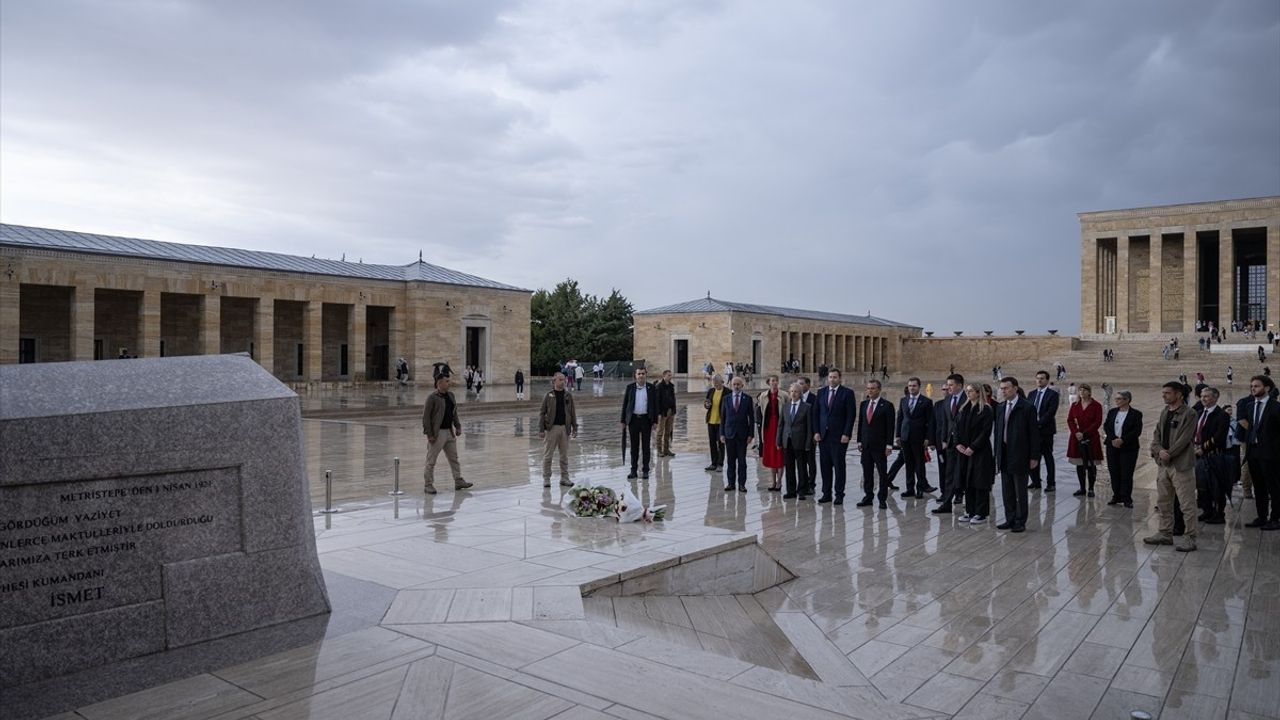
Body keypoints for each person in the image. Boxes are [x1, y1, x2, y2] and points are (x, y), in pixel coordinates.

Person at [1145, 381, 1199, 552]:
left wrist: (1169, 453)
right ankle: (1165, 533)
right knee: (1163, 502)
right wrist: (1159, 450)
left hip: (1180, 465)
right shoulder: (1164, 412)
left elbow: (1185, 438)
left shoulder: (1189, 413)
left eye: (1167, 393)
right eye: (1163, 393)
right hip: (1163, 465)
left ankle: (1190, 537)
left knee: (1187, 503)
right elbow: (1156, 435)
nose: (1164, 396)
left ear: (1178, 395)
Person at [993, 377, 1039, 533]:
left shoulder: (1026, 407)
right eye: (1002, 388)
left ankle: (1020, 520)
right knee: (1007, 490)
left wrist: (1034, 457)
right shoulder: (1000, 407)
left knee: (1020, 490)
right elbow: (998, 432)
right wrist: (997, 454)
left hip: (1020, 453)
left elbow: (1034, 434)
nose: (1003, 391)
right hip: (1004, 453)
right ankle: (1009, 518)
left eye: (1006, 388)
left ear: (1015, 388)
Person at [421, 375, 473, 494]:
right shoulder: (432, 398)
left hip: (449, 432)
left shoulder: (451, 396)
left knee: (454, 458)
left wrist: (458, 426)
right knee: (431, 460)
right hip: (437, 433)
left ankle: (458, 480)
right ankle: (428, 484)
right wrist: (429, 434)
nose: (449, 383)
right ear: (439, 383)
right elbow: (426, 418)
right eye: (447, 381)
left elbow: (454, 413)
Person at [1240, 375, 1280, 530]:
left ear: (1267, 388)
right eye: (1252, 386)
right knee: (1259, 486)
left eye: (1256, 386)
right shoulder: (1250, 406)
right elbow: (1250, 429)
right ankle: (1262, 516)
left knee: (1274, 486)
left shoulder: (1276, 407)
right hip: (1254, 452)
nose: (1253, 388)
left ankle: (1275, 518)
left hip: (1271, 455)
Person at [814, 369, 857, 505]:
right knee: (825, 466)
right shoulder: (821, 392)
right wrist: (816, 431)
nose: (832, 379)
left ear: (840, 378)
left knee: (839, 466)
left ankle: (839, 494)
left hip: (839, 437)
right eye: (830, 377)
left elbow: (851, 415)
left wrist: (847, 433)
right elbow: (816, 413)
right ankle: (826, 493)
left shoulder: (847, 393)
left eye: (835, 377)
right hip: (824, 436)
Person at [955, 383, 994, 524]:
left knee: (980, 482)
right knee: (967, 481)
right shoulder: (964, 408)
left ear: (978, 393)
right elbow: (956, 428)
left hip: (980, 451)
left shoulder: (986, 410)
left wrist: (973, 446)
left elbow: (985, 432)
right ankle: (969, 510)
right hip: (964, 451)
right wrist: (958, 443)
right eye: (967, 391)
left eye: (970, 391)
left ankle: (981, 512)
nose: (968, 393)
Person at [1192, 387, 1230, 524]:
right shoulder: (1199, 412)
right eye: (1202, 396)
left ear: (1215, 398)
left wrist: (1203, 448)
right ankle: (1207, 510)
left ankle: (1219, 513)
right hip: (1198, 455)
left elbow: (1219, 437)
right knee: (1202, 485)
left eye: (1207, 396)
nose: (1203, 398)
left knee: (1216, 486)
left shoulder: (1222, 415)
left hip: (1214, 455)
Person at [856, 378, 895, 508]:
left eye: (872, 388)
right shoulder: (864, 404)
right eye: (868, 388)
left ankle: (882, 498)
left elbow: (890, 427)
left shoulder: (887, 406)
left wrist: (889, 445)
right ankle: (868, 496)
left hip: (880, 445)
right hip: (866, 445)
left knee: (882, 473)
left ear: (879, 390)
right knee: (867, 472)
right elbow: (861, 424)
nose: (870, 391)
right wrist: (859, 441)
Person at [932, 373, 966, 512]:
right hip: (951, 443)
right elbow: (946, 421)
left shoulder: (967, 398)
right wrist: (944, 440)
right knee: (949, 473)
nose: (948, 387)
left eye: (951, 385)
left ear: (959, 385)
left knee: (965, 473)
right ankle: (946, 503)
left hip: (964, 443)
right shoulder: (948, 400)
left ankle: (965, 500)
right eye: (948, 385)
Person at [896, 377, 934, 498]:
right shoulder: (903, 400)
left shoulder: (926, 402)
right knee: (909, 464)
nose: (912, 388)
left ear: (919, 387)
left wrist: (928, 438)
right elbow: (900, 419)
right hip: (905, 436)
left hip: (919, 437)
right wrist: (898, 435)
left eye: (914, 386)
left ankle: (920, 488)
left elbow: (930, 422)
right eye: (910, 386)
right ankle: (909, 488)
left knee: (919, 464)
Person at [1103, 391, 1142, 508]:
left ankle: (1126, 497)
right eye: (1116, 399)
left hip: (1128, 447)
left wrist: (1122, 440)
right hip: (1112, 446)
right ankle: (1116, 495)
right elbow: (1106, 426)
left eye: (1119, 399)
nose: (1117, 401)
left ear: (1127, 400)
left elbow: (1136, 430)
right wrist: (1114, 439)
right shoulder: (1112, 412)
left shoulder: (1136, 414)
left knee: (1126, 473)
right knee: (1114, 471)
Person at [538, 373, 578, 488]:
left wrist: (574, 427)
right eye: (560, 380)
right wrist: (541, 429)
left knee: (564, 455)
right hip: (552, 429)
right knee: (548, 455)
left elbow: (572, 412)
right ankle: (546, 479)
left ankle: (564, 478)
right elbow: (542, 412)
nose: (563, 382)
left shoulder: (568, 396)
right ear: (554, 381)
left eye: (564, 380)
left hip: (565, 429)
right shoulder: (548, 395)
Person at [620, 367, 659, 479]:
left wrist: (655, 421)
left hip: (646, 420)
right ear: (635, 375)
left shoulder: (651, 388)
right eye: (639, 374)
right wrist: (623, 420)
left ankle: (645, 470)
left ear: (646, 374)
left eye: (643, 373)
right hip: (633, 420)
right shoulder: (630, 388)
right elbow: (625, 405)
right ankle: (633, 470)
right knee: (634, 447)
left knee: (646, 447)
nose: (641, 375)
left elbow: (655, 405)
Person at [777, 381, 813, 499]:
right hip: (787, 441)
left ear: (800, 393)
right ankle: (790, 490)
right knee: (789, 467)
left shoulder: (807, 407)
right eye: (792, 391)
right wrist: (778, 440)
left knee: (802, 467)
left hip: (800, 442)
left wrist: (808, 443)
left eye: (796, 391)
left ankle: (802, 490)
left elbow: (809, 427)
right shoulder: (785, 407)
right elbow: (781, 425)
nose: (793, 394)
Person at [719, 376, 755, 492]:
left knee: (742, 461)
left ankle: (742, 484)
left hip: (742, 435)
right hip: (729, 434)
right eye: (734, 384)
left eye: (738, 384)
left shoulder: (747, 399)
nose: (736, 386)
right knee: (730, 460)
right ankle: (730, 483)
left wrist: (751, 434)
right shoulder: (726, 399)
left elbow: (751, 418)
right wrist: (722, 434)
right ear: (731, 385)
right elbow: (723, 418)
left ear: (742, 385)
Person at [1067, 383, 1103, 497]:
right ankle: (1082, 488)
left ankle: (1091, 488)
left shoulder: (1096, 405)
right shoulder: (1075, 405)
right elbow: (1070, 420)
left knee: (1091, 464)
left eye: (1084, 390)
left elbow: (1097, 422)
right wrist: (1075, 432)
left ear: (1089, 391)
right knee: (1080, 464)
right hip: (1077, 437)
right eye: (1080, 390)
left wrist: (1084, 433)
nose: (1082, 392)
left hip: (1091, 437)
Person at [1027, 370, 1060, 492]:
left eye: (1042, 378)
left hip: (1045, 431)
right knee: (1033, 455)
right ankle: (1035, 481)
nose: (1039, 380)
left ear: (1047, 380)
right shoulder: (1031, 394)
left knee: (1047, 456)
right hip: (1032, 431)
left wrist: (1037, 424)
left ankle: (1051, 483)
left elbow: (1050, 413)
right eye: (1037, 378)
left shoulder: (1052, 394)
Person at [756, 375, 785, 490]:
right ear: (768, 383)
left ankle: (779, 482)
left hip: (779, 426)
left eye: (776, 381)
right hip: (768, 428)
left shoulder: (784, 395)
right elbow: (761, 411)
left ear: (778, 382)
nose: (774, 383)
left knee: (780, 455)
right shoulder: (763, 396)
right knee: (772, 455)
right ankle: (773, 481)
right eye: (772, 381)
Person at [799, 377, 819, 497]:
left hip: (810, 435)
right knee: (800, 461)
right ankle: (803, 483)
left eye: (801, 384)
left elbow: (816, 417)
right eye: (798, 384)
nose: (799, 386)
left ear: (808, 385)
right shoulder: (795, 398)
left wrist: (815, 433)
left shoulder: (814, 399)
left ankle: (811, 484)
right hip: (798, 435)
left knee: (810, 461)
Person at [704, 375, 727, 472]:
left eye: (717, 383)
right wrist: (707, 405)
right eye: (714, 383)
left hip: (721, 422)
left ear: (722, 382)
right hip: (711, 421)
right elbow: (706, 403)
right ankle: (713, 463)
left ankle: (720, 464)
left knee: (721, 443)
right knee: (712, 443)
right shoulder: (711, 391)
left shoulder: (727, 392)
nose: (715, 385)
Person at [655, 369, 678, 458]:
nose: (670, 377)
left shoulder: (671, 386)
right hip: (662, 412)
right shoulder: (659, 386)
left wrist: (673, 410)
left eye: (671, 375)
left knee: (668, 431)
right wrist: (659, 412)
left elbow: (673, 398)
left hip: (670, 411)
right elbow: (657, 401)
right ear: (664, 376)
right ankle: (659, 450)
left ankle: (666, 449)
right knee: (660, 432)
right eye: (668, 375)